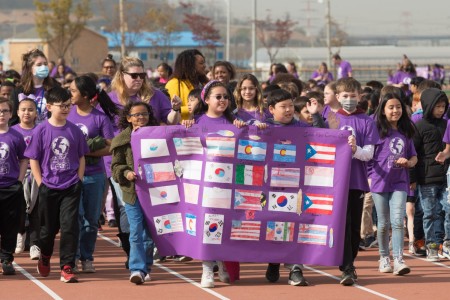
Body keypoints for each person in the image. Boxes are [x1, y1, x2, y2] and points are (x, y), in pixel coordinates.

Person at [182, 80, 245, 288]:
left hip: (230, 186)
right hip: (206, 186)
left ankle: (222, 262)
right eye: (218, 96)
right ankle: (207, 269)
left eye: (226, 97)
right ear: (206, 99)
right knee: (207, 225)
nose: (223, 100)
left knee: (226, 226)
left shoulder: (235, 122)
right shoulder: (197, 121)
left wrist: (250, 127)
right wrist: (185, 123)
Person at [24, 86, 88, 283]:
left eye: (69, 105)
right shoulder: (40, 130)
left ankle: (67, 266)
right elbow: (33, 158)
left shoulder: (74, 130)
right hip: (48, 186)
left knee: (69, 226)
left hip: (71, 186)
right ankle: (45, 255)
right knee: (47, 230)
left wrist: (79, 178)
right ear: (50, 107)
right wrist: (40, 181)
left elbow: (81, 156)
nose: (66, 109)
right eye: (62, 106)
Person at [327, 78, 378, 286]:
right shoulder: (329, 118)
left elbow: (369, 154)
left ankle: (349, 261)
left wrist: (355, 149)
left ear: (359, 97)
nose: (349, 100)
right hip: (334, 182)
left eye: (353, 96)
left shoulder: (366, 121)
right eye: (345, 96)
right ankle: (347, 267)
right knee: (342, 224)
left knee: (354, 227)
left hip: (356, 181)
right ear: (337, 97)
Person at [68, 75, 115, 273]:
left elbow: (111, 146)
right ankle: (74, 257)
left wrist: (85, 151)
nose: (69, 93)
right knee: (74, 218)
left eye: (73, 91)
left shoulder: (100, 118)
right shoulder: (68, 114)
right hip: (70, 176)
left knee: (91, 220)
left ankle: (87, 257)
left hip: (95, 175)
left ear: (85, 95)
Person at [111, 101, 158, 284]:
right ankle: (137, 269)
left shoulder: (157, 135)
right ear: (128, 118)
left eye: (144, 114)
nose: (141, 118)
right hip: (131, 192)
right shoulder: (121, 141)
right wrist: (126, 173)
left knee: (150, 232)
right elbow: (115, 167)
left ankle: (146, 265)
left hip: (154, 194)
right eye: (136, 115)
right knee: (136, 230)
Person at [370, 92, 417, 275]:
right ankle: (384, 257)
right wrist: (369, 177)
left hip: (400, 182)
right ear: (382, 110)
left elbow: (414, 156)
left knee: (398, 222)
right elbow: (367, 157)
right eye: (391, 107)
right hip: (379, 182)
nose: (395, 110)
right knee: (383, 224)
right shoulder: (375, 130)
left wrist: (409, 162)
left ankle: (398, 259)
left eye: (398, 107)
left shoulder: (406, 131)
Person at [411, 88, 450, 262]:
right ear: (428, 105)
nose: (441, 110)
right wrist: (412, 178)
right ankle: (432, 247)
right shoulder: (419, 126)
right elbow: (413, 153)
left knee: (446, 210)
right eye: (438, 106)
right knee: (430, 213)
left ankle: (445, 243)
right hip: (426, 178)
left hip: (445, 176)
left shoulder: (445, 124)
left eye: (443, 106)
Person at [0, 97, 28, 275]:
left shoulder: (16, 136)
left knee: (10, 225)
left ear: (11, 114)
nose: (1, 114)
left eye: (5, 111)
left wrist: (19, 180)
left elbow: (24, 159)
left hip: (11, 187)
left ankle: (6, 258)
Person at [110, 57, 181, 125]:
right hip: (121, 137)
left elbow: (171, 122)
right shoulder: (110, 99)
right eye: (134, 75)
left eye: (141, 75)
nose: (138, 79)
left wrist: (175, 109)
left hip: (150, 137)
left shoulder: (156, 94)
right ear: (122, 75)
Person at [11, 97, 38, 257]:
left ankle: (35, 244)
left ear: (36, 113)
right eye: (23, 109)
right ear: (17, 112)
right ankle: (20, 235)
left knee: (36, 210)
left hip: (37, 176)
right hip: (17, 176)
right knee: (18, 210)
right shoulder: (12, 131)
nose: (27, 113)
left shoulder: (41, 130)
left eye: (30, 109)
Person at [10, 49, 58, 125]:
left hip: (48, 134)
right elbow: (13, 120)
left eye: (45, 64)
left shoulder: (55, 88)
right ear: (30, 68)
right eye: (39, 65)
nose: (44, 67)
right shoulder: (18, 91)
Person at [165, 49, 208, 120]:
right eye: (201, 63)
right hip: (183, 127)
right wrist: (193, 108)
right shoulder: (174, 83)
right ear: (190, 65)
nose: (204, 66)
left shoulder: (204, 83)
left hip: (203, 125)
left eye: (204, 63)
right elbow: (170, 109)